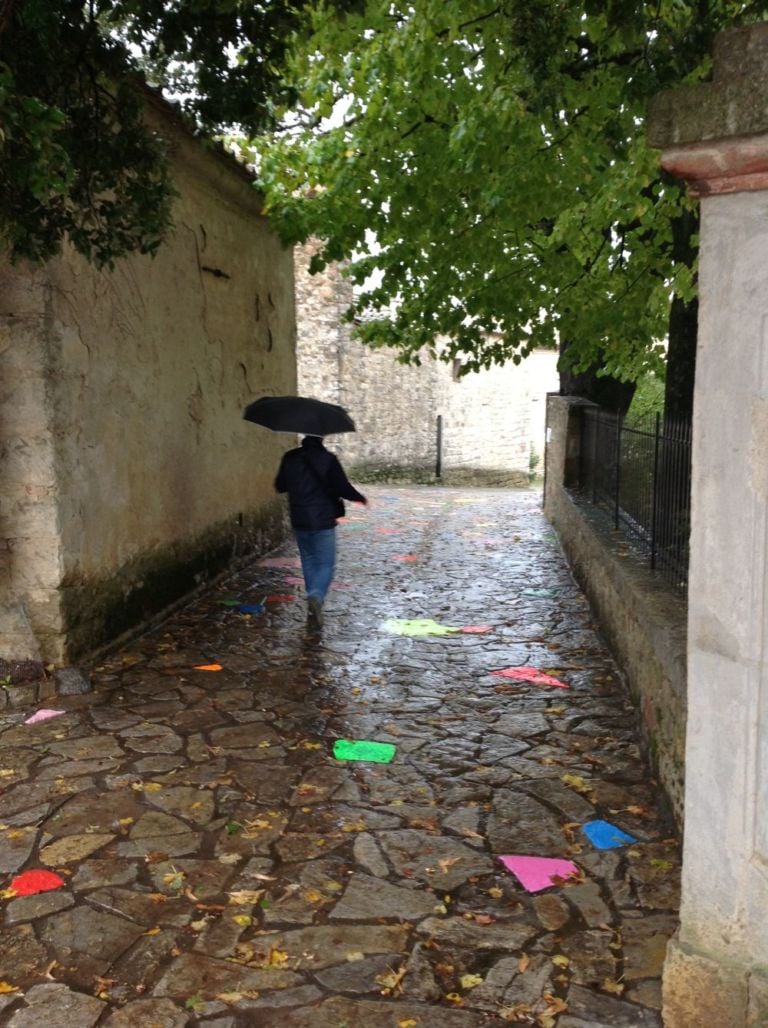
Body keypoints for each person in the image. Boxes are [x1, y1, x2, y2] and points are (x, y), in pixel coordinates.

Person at [275, 435, 367, 626]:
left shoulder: (289, 457)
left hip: (299, 517)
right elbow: (342, 486)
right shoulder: (328, 459)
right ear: (321, 437)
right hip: (323, 518)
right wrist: (360, 498)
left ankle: (312, 598)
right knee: (325, 563)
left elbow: (280, 486)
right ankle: (316, 596)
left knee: (308, 560)